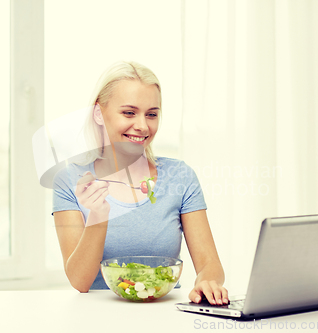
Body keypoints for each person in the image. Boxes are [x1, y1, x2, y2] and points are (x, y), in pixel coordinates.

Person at [52, 61, 228, 305]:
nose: (143, 126)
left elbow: (210, 265)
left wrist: (207, 282)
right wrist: (98, 215)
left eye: (152, 114)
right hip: (95, 320)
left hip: (165, 317)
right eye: (129, 112)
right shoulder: (70, 181)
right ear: (98, 114)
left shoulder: (180, 176)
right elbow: (80, 282)